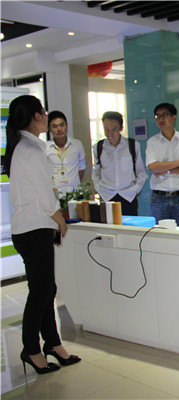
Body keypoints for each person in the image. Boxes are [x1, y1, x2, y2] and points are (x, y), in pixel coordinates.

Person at [5, 95, 81, 376]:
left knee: (46, 289)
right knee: (41, 291)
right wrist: (59, 220)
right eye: (44, 112)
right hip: (33, 229)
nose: (47, 116)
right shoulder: (30, 150)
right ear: (37, 116)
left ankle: (53, 344)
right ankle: (31, 349)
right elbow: (44, 195)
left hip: (33, 227)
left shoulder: (25, 146)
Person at [146, 103, 179, 226]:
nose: (160, 119)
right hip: (159, 197)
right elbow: (152, 167)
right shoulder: (152, 142)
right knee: (159, 233)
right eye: (157, 116)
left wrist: (164, 169)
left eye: (164, 115)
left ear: (174, 117)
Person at [92, 111, 146, 216]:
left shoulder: (133, 145)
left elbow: (140, 172)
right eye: (106, 129)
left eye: (113, 129)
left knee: (130, 225)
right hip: (107, 196)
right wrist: (99, 189)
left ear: (121, 128)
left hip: (128, 196)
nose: (109, 133)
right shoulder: (98, 147)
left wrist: (135, 190)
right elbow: (96, 172)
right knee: (109, 225)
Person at [45, 111, 86, 197]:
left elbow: (81, 168)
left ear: (67, 125)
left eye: (62, 125)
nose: (59, 129)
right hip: (55, 195)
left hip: (75, 193)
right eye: (54, 126)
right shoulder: (45, 148)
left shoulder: (77, 144)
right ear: (49, 129)